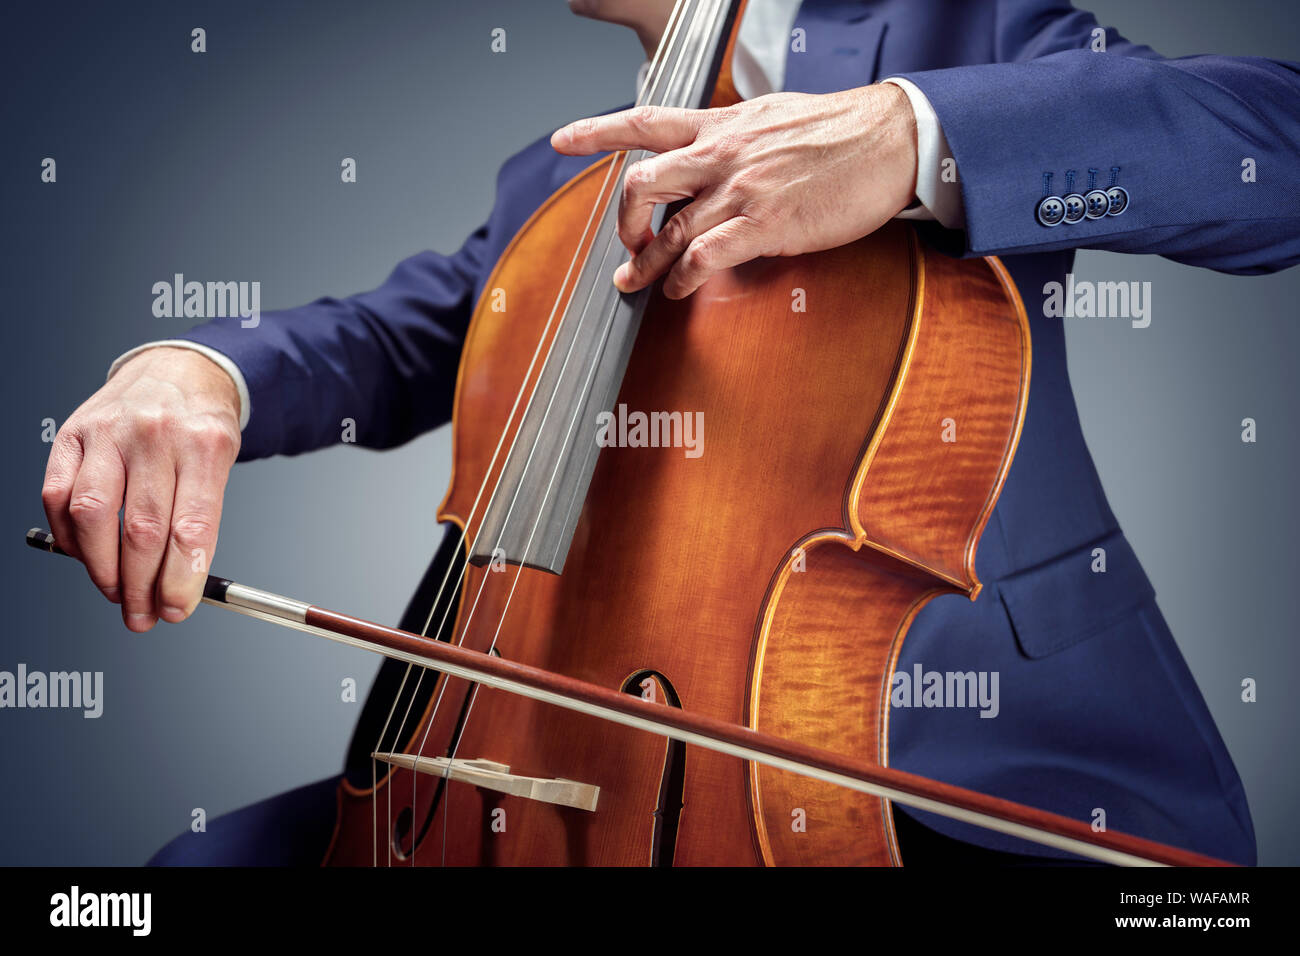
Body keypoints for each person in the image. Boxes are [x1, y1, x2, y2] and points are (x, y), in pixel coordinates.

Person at [42, 0, 1297, 865]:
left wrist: (917, 132)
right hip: (547, 768)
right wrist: (192, 365)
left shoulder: (963, 30)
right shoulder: (563, 179)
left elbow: (1271, 143)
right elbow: (386, 338)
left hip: (984, 790)